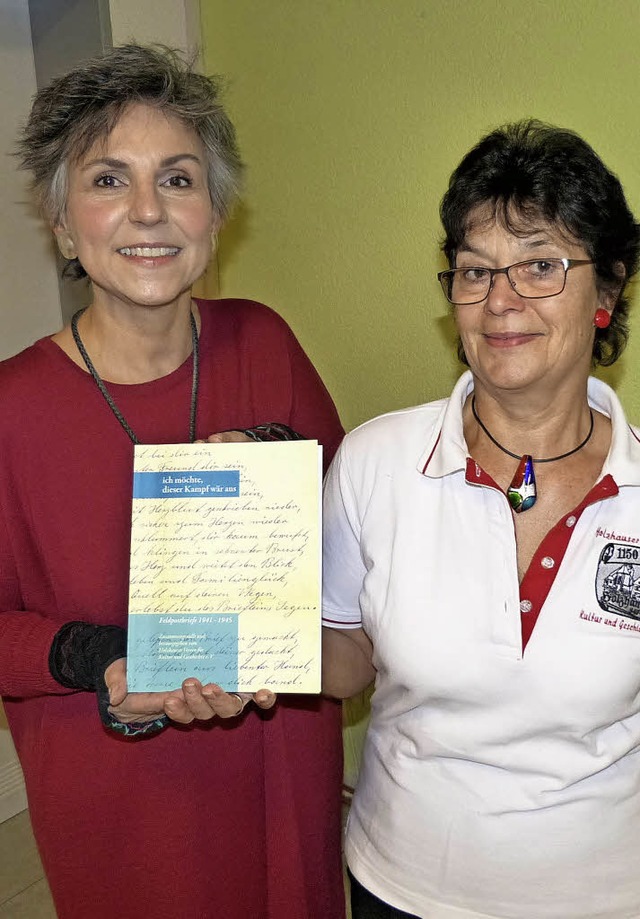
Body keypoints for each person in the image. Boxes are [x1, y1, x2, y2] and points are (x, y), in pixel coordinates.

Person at [0, 44, 346, 919]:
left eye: (179, 179)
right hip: (123, 806)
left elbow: (354, 533)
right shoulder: (11, 406)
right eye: (109, 180)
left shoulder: (264, 342)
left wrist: (282, 458)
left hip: (279, 773)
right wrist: (97, 658)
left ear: (216, 213)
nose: (148, 211)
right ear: (63, 224)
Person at [322, 120, 640, 919]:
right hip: (402, 886)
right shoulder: (372, 460)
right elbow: (349, 658)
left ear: (607, 292)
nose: (500, 300)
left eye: (540, 265)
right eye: (474, 270)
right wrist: (228, 634)